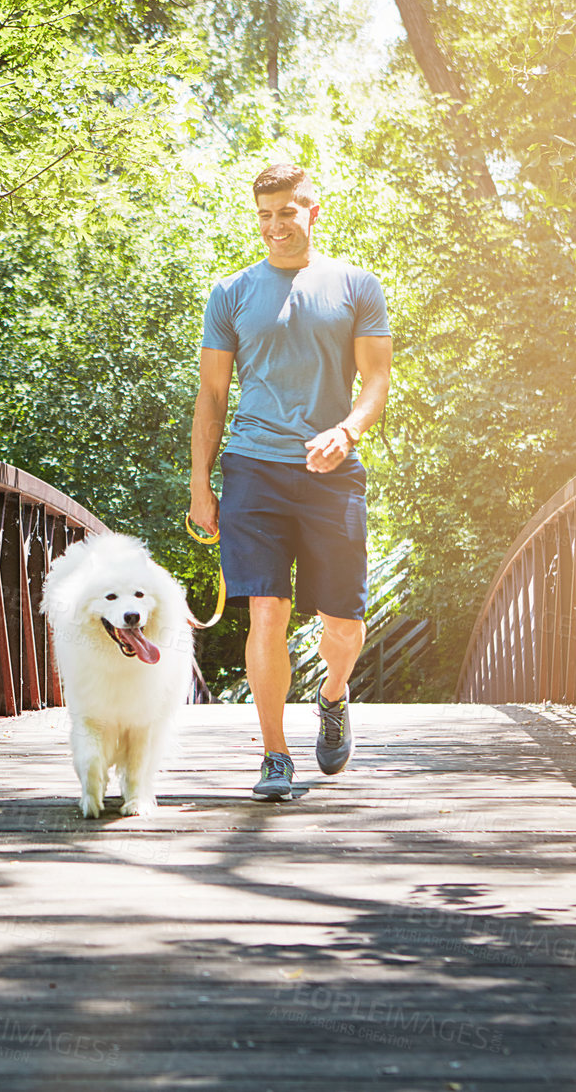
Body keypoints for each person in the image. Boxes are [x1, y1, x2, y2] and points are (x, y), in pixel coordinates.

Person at [188, 162, 393, 802]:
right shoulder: (230, 293)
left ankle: (333, 694)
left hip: (333, 475)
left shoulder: (357, 285)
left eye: (287, 213)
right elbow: (212, 396)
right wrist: (201, 486)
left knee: (343, 622)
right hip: (253, 469)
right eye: (265, 215)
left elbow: (378, 382)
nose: (276, 227)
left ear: (312, 211)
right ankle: (275, 755)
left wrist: (349, 431)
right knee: (267, 610)